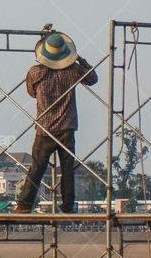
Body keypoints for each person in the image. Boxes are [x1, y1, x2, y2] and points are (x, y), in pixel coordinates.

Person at [15, 31, 98, 214]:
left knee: (37, 168)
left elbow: (31, 93)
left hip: (44, 129)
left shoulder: (35, 72)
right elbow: (93, 79)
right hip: (67, 128)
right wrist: (80, 60)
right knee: (67, 170)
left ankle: (24, 205)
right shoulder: (74, 70)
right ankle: (68, 206)